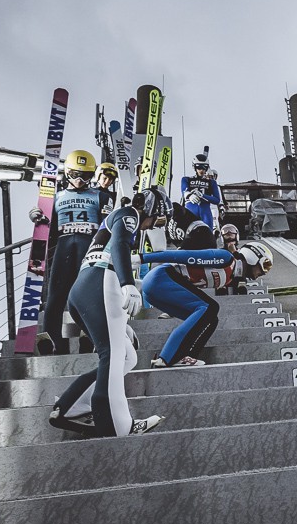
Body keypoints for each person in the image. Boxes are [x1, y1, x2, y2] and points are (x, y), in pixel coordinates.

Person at [48, 186, 172, 437]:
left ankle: (70, 407)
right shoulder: (129, 214)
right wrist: (128, 283)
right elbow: (120, 244)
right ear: (149, 209)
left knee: (127, 357)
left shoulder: (117, 218)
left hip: (85, 289)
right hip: (102, 283)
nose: (152, 226)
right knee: (113, 355)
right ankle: (118, 425)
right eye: (157, 219)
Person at [136, 239, 274, 367]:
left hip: (158, 290)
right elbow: (182, 255)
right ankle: (167, 357)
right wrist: (142, 258)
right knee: (211, 307)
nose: (264, 272)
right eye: (265, 265)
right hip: (161, 278)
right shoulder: (226, 259)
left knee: (211, 319)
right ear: (253, 257)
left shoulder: (231, 277)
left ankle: (187, 356)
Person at [31, 150, 113, 355]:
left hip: (90, 246)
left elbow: (108, 225)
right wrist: (37, 214)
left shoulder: (101, 196)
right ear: (67, 172)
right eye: (75, 174)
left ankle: (89, 335)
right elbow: (47, 225)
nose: (79, 180)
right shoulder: (56, 197)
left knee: (88, 292)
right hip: (64, 245)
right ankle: (53, 339)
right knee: (56, 294)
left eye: (85, 176)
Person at [181, 154, 221, 229]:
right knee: (188, 233)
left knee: (208, 233)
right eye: (199, 167)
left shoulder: (212, 182)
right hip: (190, 211)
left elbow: (217, 200)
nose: (202, 170)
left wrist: (202, 195)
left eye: (204, 167)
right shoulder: (186, 179)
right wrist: (190, 195)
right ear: (194, 167)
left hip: (205, 212)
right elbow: (184, 191)